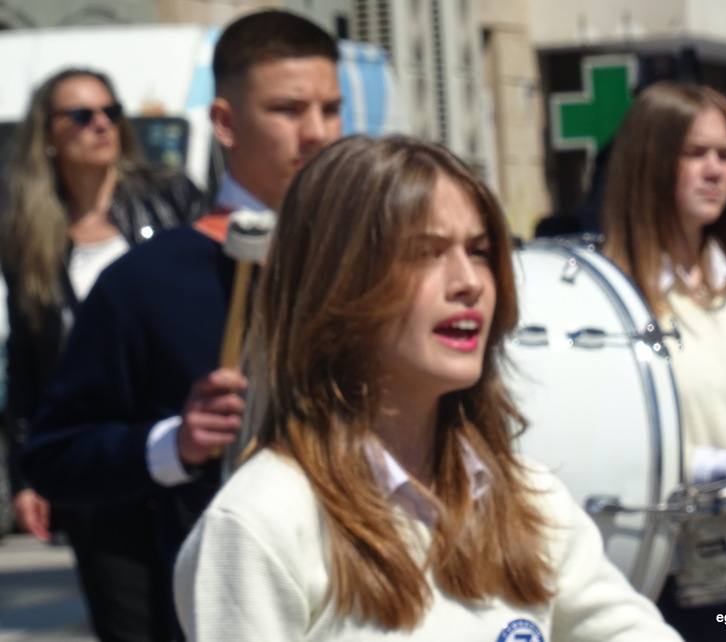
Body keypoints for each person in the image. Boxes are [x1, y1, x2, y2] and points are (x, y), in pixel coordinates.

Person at [172, 134, 682, 641]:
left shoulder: (530, 501)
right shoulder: (260, 523)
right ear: (337, 283)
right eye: (426, 253)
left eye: (480, 251)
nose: (469, 282)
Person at [19, 9, 342, 642]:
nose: (316, 133)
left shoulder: (382, 260)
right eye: (287, 110)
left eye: (330, 110)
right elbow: (56, 455)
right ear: (225, 122)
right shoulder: (145, 282)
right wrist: (176, 444)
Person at [0, 66, 205, 637]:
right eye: (81, 115)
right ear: (47, 135)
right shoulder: (30, 233)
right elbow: (28, 360)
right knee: (127, 625)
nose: (101, 125)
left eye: (111, 112)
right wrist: (27, 473)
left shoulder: (171, 196)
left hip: (184, 442)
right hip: (100, 459)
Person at [602, 81, 726, 641]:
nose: (715, 171)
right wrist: (701, 463)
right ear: (649, 162)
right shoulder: (608, 301)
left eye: (725, 155)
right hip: (668, 585)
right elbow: (600, 438)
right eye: (695, 153)